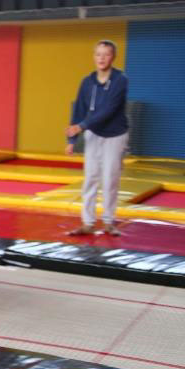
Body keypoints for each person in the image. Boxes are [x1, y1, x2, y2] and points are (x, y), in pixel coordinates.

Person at [65, 39, 129, 237]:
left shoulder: (120, 80)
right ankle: (88, 223)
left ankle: (109, 222)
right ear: (94, 57)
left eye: (106, 54)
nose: (102, 58)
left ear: (113, 57)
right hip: (93, 133)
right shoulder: (87, 82)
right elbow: (79, 110)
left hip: (115, 134)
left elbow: (108, 110)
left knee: (110, 178)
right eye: (98, 54)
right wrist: (72, 141)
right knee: (90, 177)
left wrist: (81, 126)